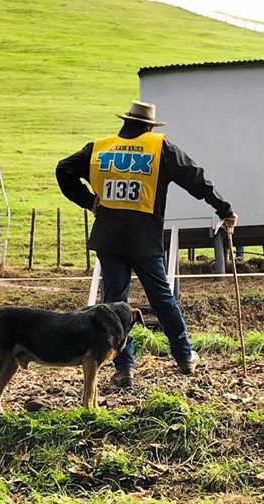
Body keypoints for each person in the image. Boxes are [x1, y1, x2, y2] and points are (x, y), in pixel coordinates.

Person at [56, 100, 237, 387]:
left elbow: (63, 169)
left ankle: (123, 367)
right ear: (149, 126)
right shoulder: (159, 148)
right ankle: (184, 356)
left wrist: (89, 201)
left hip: (109, 238)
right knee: (163, 299)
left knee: (114, 303)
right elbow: (196, 179)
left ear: (125, 121)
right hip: (144, 240)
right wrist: (223, 209)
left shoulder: (99, 148)